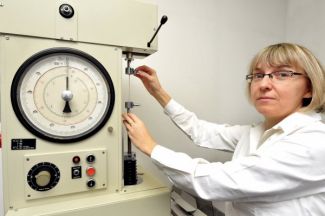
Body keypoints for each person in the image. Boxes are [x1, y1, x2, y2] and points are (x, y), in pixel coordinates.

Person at [122, 43, 325, 215]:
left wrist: (151, 148)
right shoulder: (258, 131)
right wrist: (159, 93)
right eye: (258, 75)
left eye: (282, 74)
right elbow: (201, 131)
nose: (264, 84)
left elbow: (221, 181)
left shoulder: (313, 142)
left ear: (309, 88)